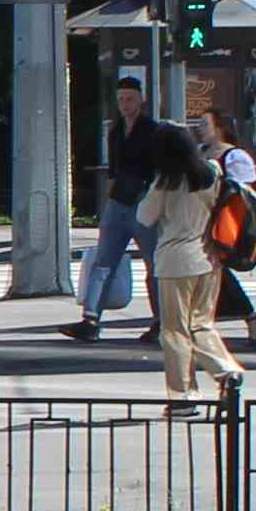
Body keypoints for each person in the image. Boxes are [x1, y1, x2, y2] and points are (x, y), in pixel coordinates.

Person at [141, 115, 241, 399]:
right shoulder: (212, 171)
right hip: (209, 257)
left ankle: (182, 395)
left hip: (175, 261)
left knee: (174, 331)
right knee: (202, 323)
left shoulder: (166, 181)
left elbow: (144, 217)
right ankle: (226, 370)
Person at [65, 69, 162, 341]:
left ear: (141, 100)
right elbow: (113, 172)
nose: (125, 104)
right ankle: (90, 320)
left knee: (154, 265)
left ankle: (161, 322)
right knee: (103, 262)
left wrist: (154, 201)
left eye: (130, 99)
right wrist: (109, 203)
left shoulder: (152, 130)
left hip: (143, 203)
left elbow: (159, 170)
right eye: (121, 99)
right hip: (119, 203)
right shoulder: (116, 131)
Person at [207, 103, 256, 345]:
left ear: (219, 128)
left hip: (224, 221)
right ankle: (250, 318)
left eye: (205, 124)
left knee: (215, 270)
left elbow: (241, 193)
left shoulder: (234, 156)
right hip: (203, 220)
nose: (200, 129)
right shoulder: (202, 152)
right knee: (214, 272)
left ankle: (202, 325)